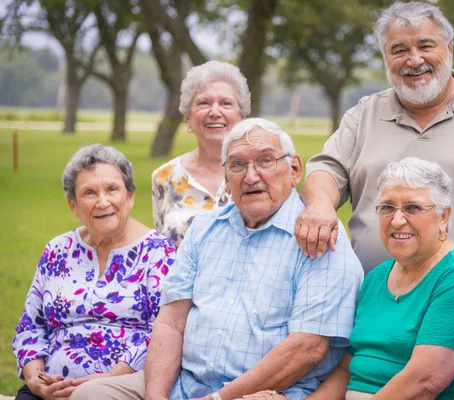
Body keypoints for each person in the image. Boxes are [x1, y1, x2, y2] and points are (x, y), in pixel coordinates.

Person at [70, 118, 364, 400]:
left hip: (268, 393)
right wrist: (156, 395)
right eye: (238, 165)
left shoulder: (318, 233)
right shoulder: (204, 229)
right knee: (91, 395)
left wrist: (217, 398)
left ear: (295, 169)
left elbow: (307, 348)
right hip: (184, 382)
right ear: (226, 177)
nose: (251, 176)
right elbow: (172, 322)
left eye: (265, 161)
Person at [295, 1, 454, 282]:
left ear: (449, 49)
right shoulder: (362, 116)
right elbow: (326, 171)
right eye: (399, 50)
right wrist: (320, 204)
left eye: (426, 46)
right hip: (373, 306)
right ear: (385, 57)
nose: (414, 60)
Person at [246, 157, 454, 400]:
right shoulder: (377, 277)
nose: (397, 220)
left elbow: (423, 383)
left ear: (444, 217)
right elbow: (347, 370)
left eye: (413, 208)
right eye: (387, 207)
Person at [12, 144, 176, 400]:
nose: (103, 201)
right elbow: (30, 326)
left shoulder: (158, 251)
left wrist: (111, 378)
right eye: (89, 193)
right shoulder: (58, 249)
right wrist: (36, 381)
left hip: (122, 384)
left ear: (130, 196)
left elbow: (164, 330)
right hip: (52, 387)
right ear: (73, 205)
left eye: (112, 189)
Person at [152, 60, 250, 247]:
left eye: (226, 103)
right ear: (188, 118)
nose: (215, 112)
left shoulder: (260, 174)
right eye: (204, 103)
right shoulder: (163, 176)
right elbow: (161, 252)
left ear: (241, 116)